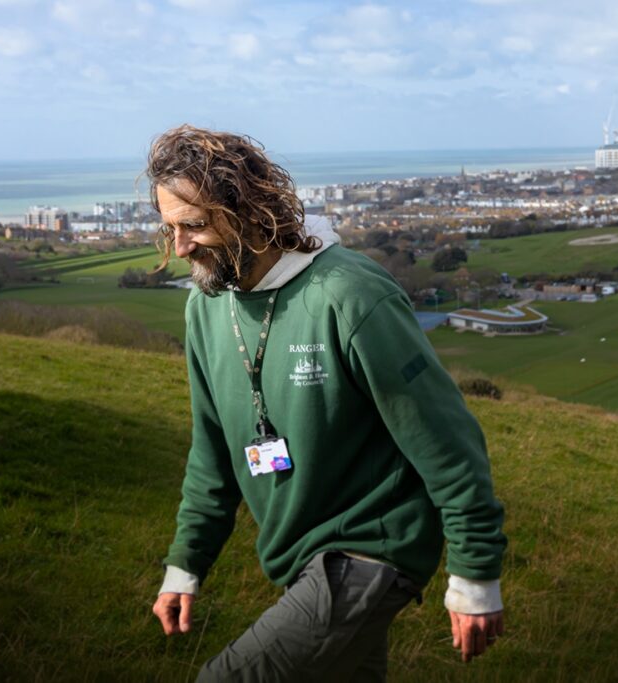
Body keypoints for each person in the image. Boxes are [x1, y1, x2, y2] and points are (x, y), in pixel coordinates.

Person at [148, 125, 507, 682]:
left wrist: (476, 574)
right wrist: (185, 565)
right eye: (169, 227)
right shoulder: (204, 306)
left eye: (194, 225)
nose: (179, 247)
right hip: (299, 557)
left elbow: (446, 439)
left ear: (251, 209)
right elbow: (212, 451)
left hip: (372, 547)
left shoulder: (349, 294)